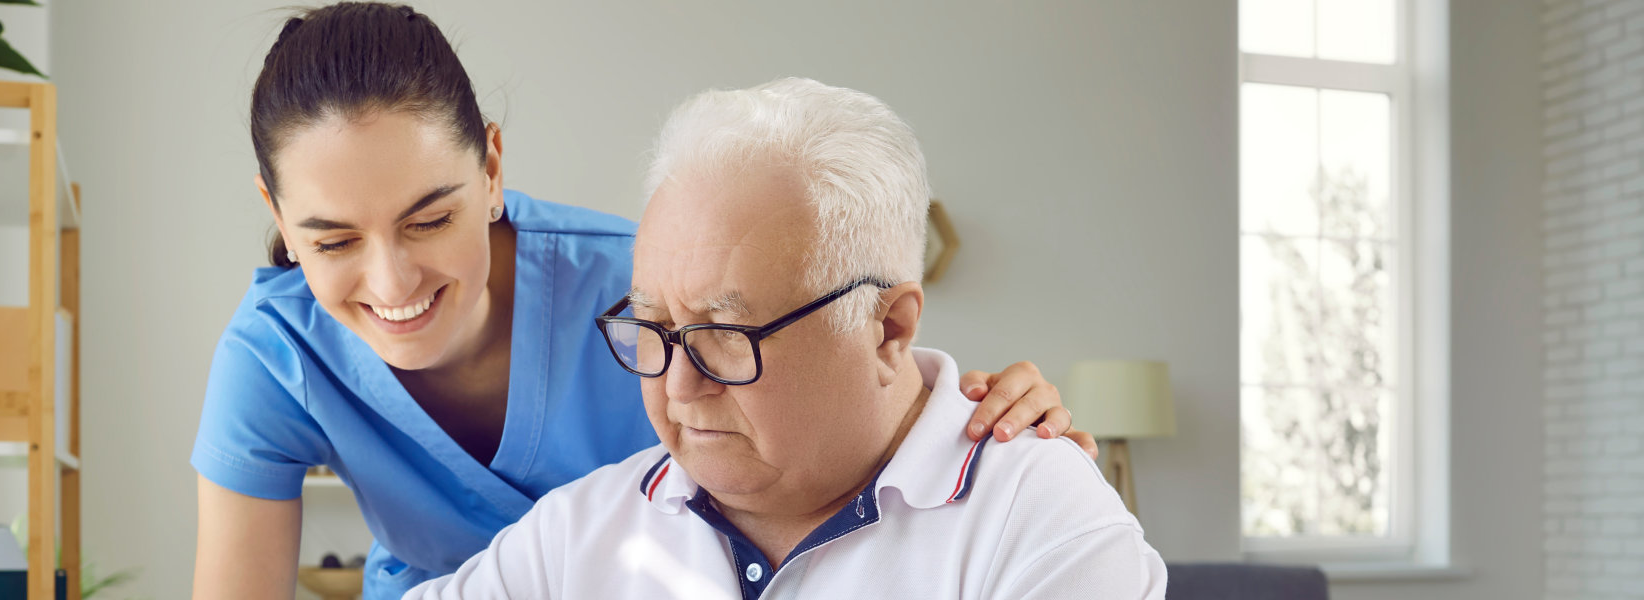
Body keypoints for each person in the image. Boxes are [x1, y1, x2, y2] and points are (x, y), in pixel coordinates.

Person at [189, 5, 1093, 599]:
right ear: (275, 217)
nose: (391, 285)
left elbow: (846, 377)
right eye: (333, 240)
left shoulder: (651, 291)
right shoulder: (275, 355)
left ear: (493, 166)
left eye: (430, 219)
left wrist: (984, 428)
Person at [407, 78, 1167, 600]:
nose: (677, 387)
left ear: (888, 328)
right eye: (655, 327)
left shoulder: (1036, 515)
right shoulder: (582, 529)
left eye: (727, 334)